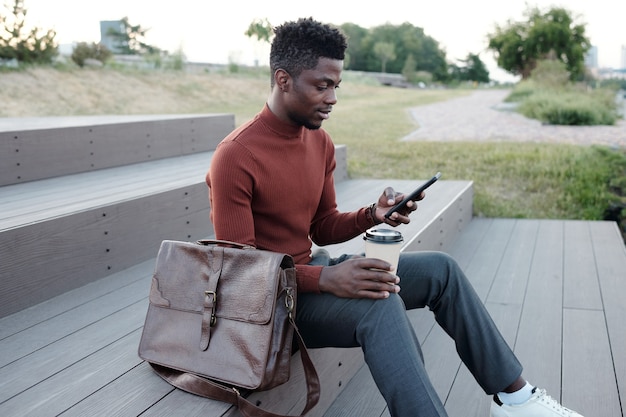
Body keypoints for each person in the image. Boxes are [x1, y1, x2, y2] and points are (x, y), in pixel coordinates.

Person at [206, 17, 584, 417]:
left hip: (311, 276)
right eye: (322, 85)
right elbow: (239, 273)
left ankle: (517, 400)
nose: (332, 97)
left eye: (336, 85)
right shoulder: (235, 156)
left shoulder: (319, 141)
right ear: (283, 80)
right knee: (379, 303)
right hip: (274, 307)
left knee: (441, 270)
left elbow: (322, 225)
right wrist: (326, 277)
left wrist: (374, 214)